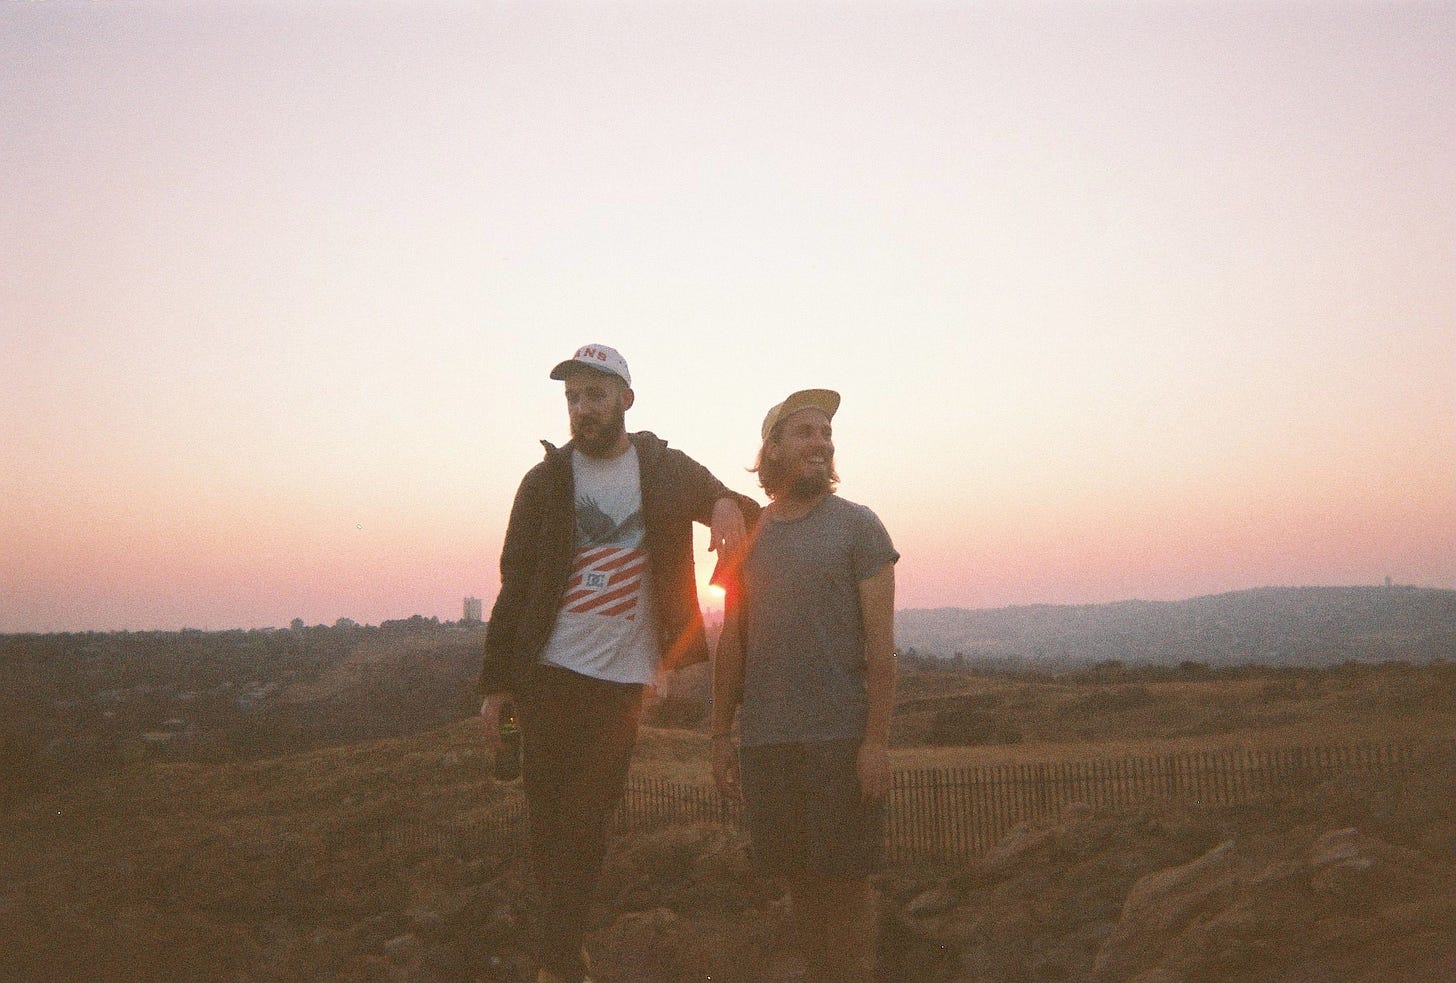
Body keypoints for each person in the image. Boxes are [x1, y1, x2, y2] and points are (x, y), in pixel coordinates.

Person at [479, 343, 757, 983]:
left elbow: (739, 506)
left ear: (625, 400)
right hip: (547, 675)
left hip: (622, 683)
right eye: (573, 397)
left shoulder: (663, 469)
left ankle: (559, 953)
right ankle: (560, 958)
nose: (582, 408)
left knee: (587, 822)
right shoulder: (545, 483)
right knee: (549, 822)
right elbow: (515, 586)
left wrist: (722, 503)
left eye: (595, 396)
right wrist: (497, 687)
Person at [711, 388, 898, 983]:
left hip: (839, 741)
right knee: (800, 886)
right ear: (772, 450)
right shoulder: (749, 534)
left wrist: (875, 742)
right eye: (805, 433)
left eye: (827, 434)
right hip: (767, 744)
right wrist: (719, 736)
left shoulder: (859, 527)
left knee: (847, 889)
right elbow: (732, 644)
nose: (822, 443)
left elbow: (881, 648)